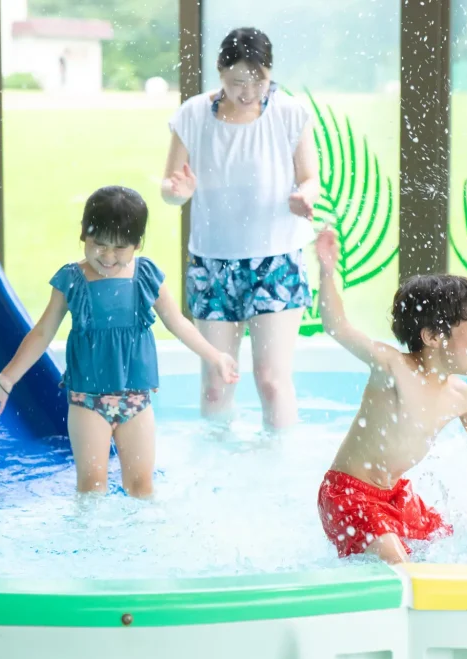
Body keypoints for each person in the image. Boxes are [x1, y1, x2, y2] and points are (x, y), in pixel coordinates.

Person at [0, 186, 240, 498]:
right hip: (87, 400)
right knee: (92, 487)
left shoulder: (145, 276)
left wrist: (215, 356)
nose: (108, 256)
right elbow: (43, 333)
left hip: (136, 399)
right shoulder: (72, 280)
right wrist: (7, 379)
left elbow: (177, 323)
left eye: (120, 248)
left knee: (141, 486)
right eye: (99, 244)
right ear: (83, 235)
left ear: (137, 244)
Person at [313, 229, 467, 564]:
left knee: (449, 545)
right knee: (402, 566)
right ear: (433, 337)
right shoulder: (393, 367)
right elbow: (337, 327)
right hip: (348, 494)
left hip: (394, 495)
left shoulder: (463, 398)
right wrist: (327, 271)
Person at [161, 27, 320, 430]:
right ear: (220, 73)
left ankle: (280, 463)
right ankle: (218, 463)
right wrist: (177, 192)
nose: (247, 92)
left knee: (271, 381)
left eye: (258, 81)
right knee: (216, 385)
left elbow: (310, 179)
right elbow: (169, 188)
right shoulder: (193, 115)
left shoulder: (290, 113)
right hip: (212, 264)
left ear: (270, 73)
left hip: (276, 260)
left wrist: (304, 196)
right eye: (236, 83)